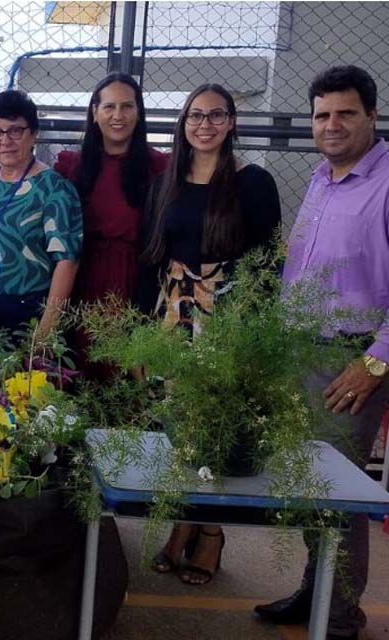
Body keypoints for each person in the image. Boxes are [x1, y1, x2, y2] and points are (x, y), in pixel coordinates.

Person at [255, 65, 389, 640]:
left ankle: (338, 618)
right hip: (300, 355)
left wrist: (374, 361)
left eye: (345, 113)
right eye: (321, 115)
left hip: (352, 361)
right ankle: (317, 594)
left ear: (371, 117)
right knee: (309, 487)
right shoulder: (319, 178)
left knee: (339, 493)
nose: (331, 125)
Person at [140, 84, 281, 585]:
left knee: (216, 422)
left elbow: (269, 264)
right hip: (175, 312)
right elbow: (152, 254)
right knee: (179, 425)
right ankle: (185, 521)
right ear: (182, 123)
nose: (204, 124)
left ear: (231, 122)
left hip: (229, 317)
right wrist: (143, 328)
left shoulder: (254, 183)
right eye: (195, 115)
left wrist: (252, 332)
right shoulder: (166, 182)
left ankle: (210, 533)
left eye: (215, 115)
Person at [54, 73, 168, 379]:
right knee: (79, 370)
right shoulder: (72, 167)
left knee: (127, 373)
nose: (118, 115)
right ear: (94, 112)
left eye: (127, 106)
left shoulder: (159, 167)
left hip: (136, 281)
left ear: (139, 112)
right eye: (109, 107)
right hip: (81, 279)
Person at [0, 89, 82, 335]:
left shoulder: (54, 189)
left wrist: (47, 327)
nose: (5, 141)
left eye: (15, 131)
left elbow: (67, 262)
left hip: (28, 313)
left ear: (34, 133)